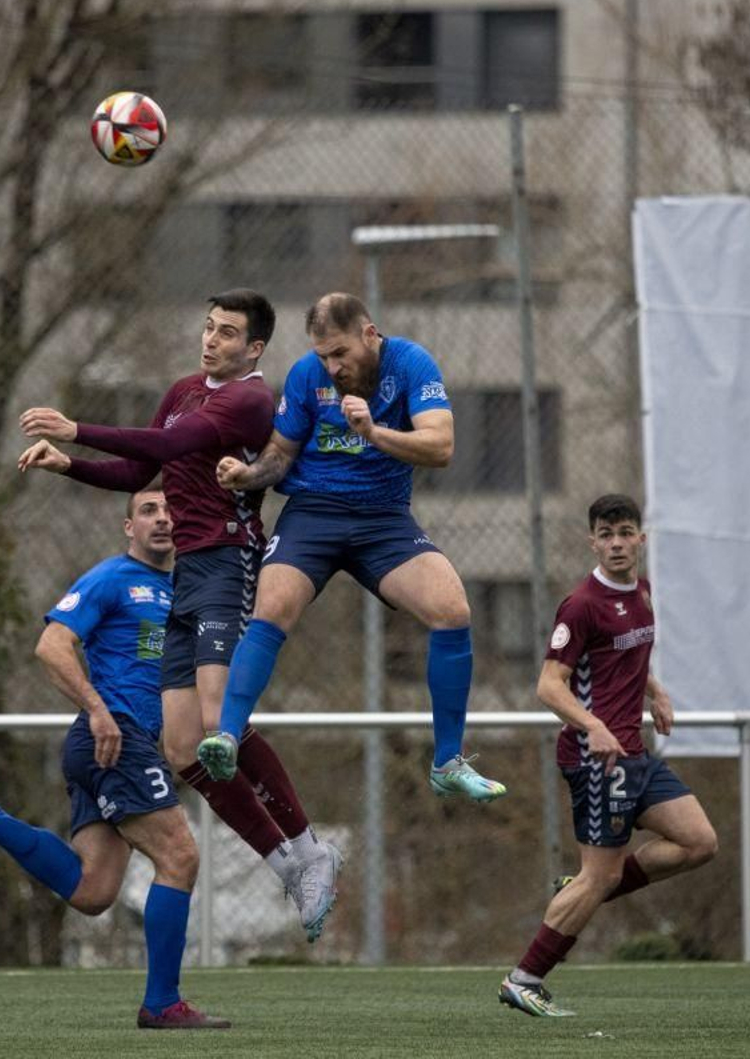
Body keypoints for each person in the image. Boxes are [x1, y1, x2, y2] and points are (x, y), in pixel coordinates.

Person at [16, 289, 341, 941]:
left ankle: (311, 851)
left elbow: (178, 440)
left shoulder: (248, 400)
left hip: (228, 561)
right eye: (209, 327)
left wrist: (76, 427)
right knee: (183, 747)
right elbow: (141, 468)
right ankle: (286, 863)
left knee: (220, 723)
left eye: (228, 333)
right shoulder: (183, 390)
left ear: (254, 348)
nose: (211, 340)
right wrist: (69, 463)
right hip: (190, 572)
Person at [0, 487, 229, 1030]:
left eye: (170, 510)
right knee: (180, 856)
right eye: (148, 511)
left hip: (112, 745)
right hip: (113, 737)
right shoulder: (111, 578)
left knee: (92, 891)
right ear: (128, 527)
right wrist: (99, 710)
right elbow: (51, 645)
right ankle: (162, 1004)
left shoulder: (184, 589)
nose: (162, 519)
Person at [196, 292, 505, 803]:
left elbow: (441, 447)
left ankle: (448, 762)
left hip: (383, 518)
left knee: (452, 610)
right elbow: (281, 454)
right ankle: (226, 737)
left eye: (340, 353)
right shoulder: (306, 375)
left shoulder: (411, 364)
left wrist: (374, 432)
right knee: (272, 608)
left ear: (369, 334)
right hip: (313, 513)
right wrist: (247, 474)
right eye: (323, 356)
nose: (332, 367)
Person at [500, 494, 719, 1018]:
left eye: (625, 533)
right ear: (592, 542)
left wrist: (656, 692)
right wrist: (594, 726)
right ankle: (524, 979)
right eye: (606, 534)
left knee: (698, 842)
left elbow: (623, 658)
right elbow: (549, 686)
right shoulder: (581, 605)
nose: (616, 543)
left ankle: (582, 891)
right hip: (596, 760)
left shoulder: (642, 592)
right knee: (599, 876)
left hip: (633, 754)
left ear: (641, 538)